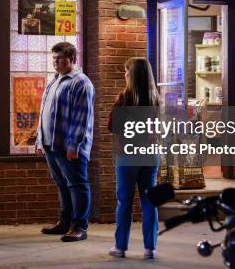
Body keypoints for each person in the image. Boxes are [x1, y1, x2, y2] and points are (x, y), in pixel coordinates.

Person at [36, 42, 95, 242]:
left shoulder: (81, 82)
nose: (55, 62)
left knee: (77, 185)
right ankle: (65, 222)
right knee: (62, 184)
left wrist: (74, 146)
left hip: (68, 147)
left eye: (59, 58)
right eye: (53, 58)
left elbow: (82, 118)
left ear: (71, 58)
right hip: (51, 144)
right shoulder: (54, 80)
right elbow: (43, 111)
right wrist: (39, 139)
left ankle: (79, 226)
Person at [107, 57, 160, 259]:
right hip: (150, 155)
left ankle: (120, 247)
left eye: (127, 71)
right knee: (149, 202)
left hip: (128, 155)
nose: (125, 74)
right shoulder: (155, 97)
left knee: (125, 202)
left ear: (133, 75)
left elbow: (113, 126)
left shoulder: (124, 98)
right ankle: (150, 248)